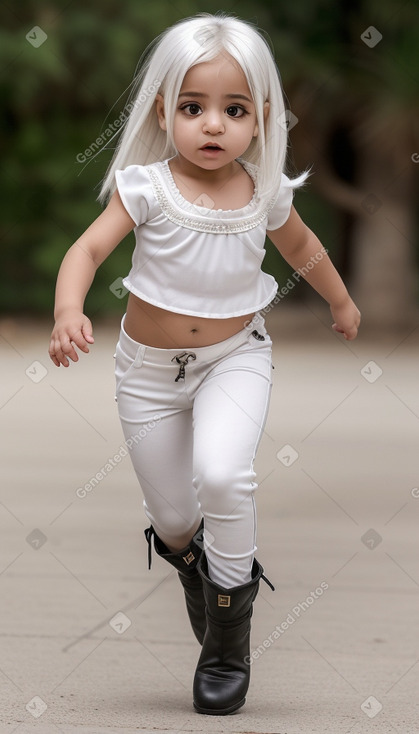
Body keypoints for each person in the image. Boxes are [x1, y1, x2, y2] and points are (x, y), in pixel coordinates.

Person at [49, 12, 361, 716]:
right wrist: (70, 309)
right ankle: (204, 570)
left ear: (262, 118)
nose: (212, 125)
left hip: (233, 359)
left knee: (225, 474)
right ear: (164, 112)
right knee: (174, 520)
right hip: (148, 374)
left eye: (233, 110)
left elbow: (303, 249)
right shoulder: (146, 187)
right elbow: (86, 251)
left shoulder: (264, 192)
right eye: (193, 108)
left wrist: (341, 303)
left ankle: (227, 636)